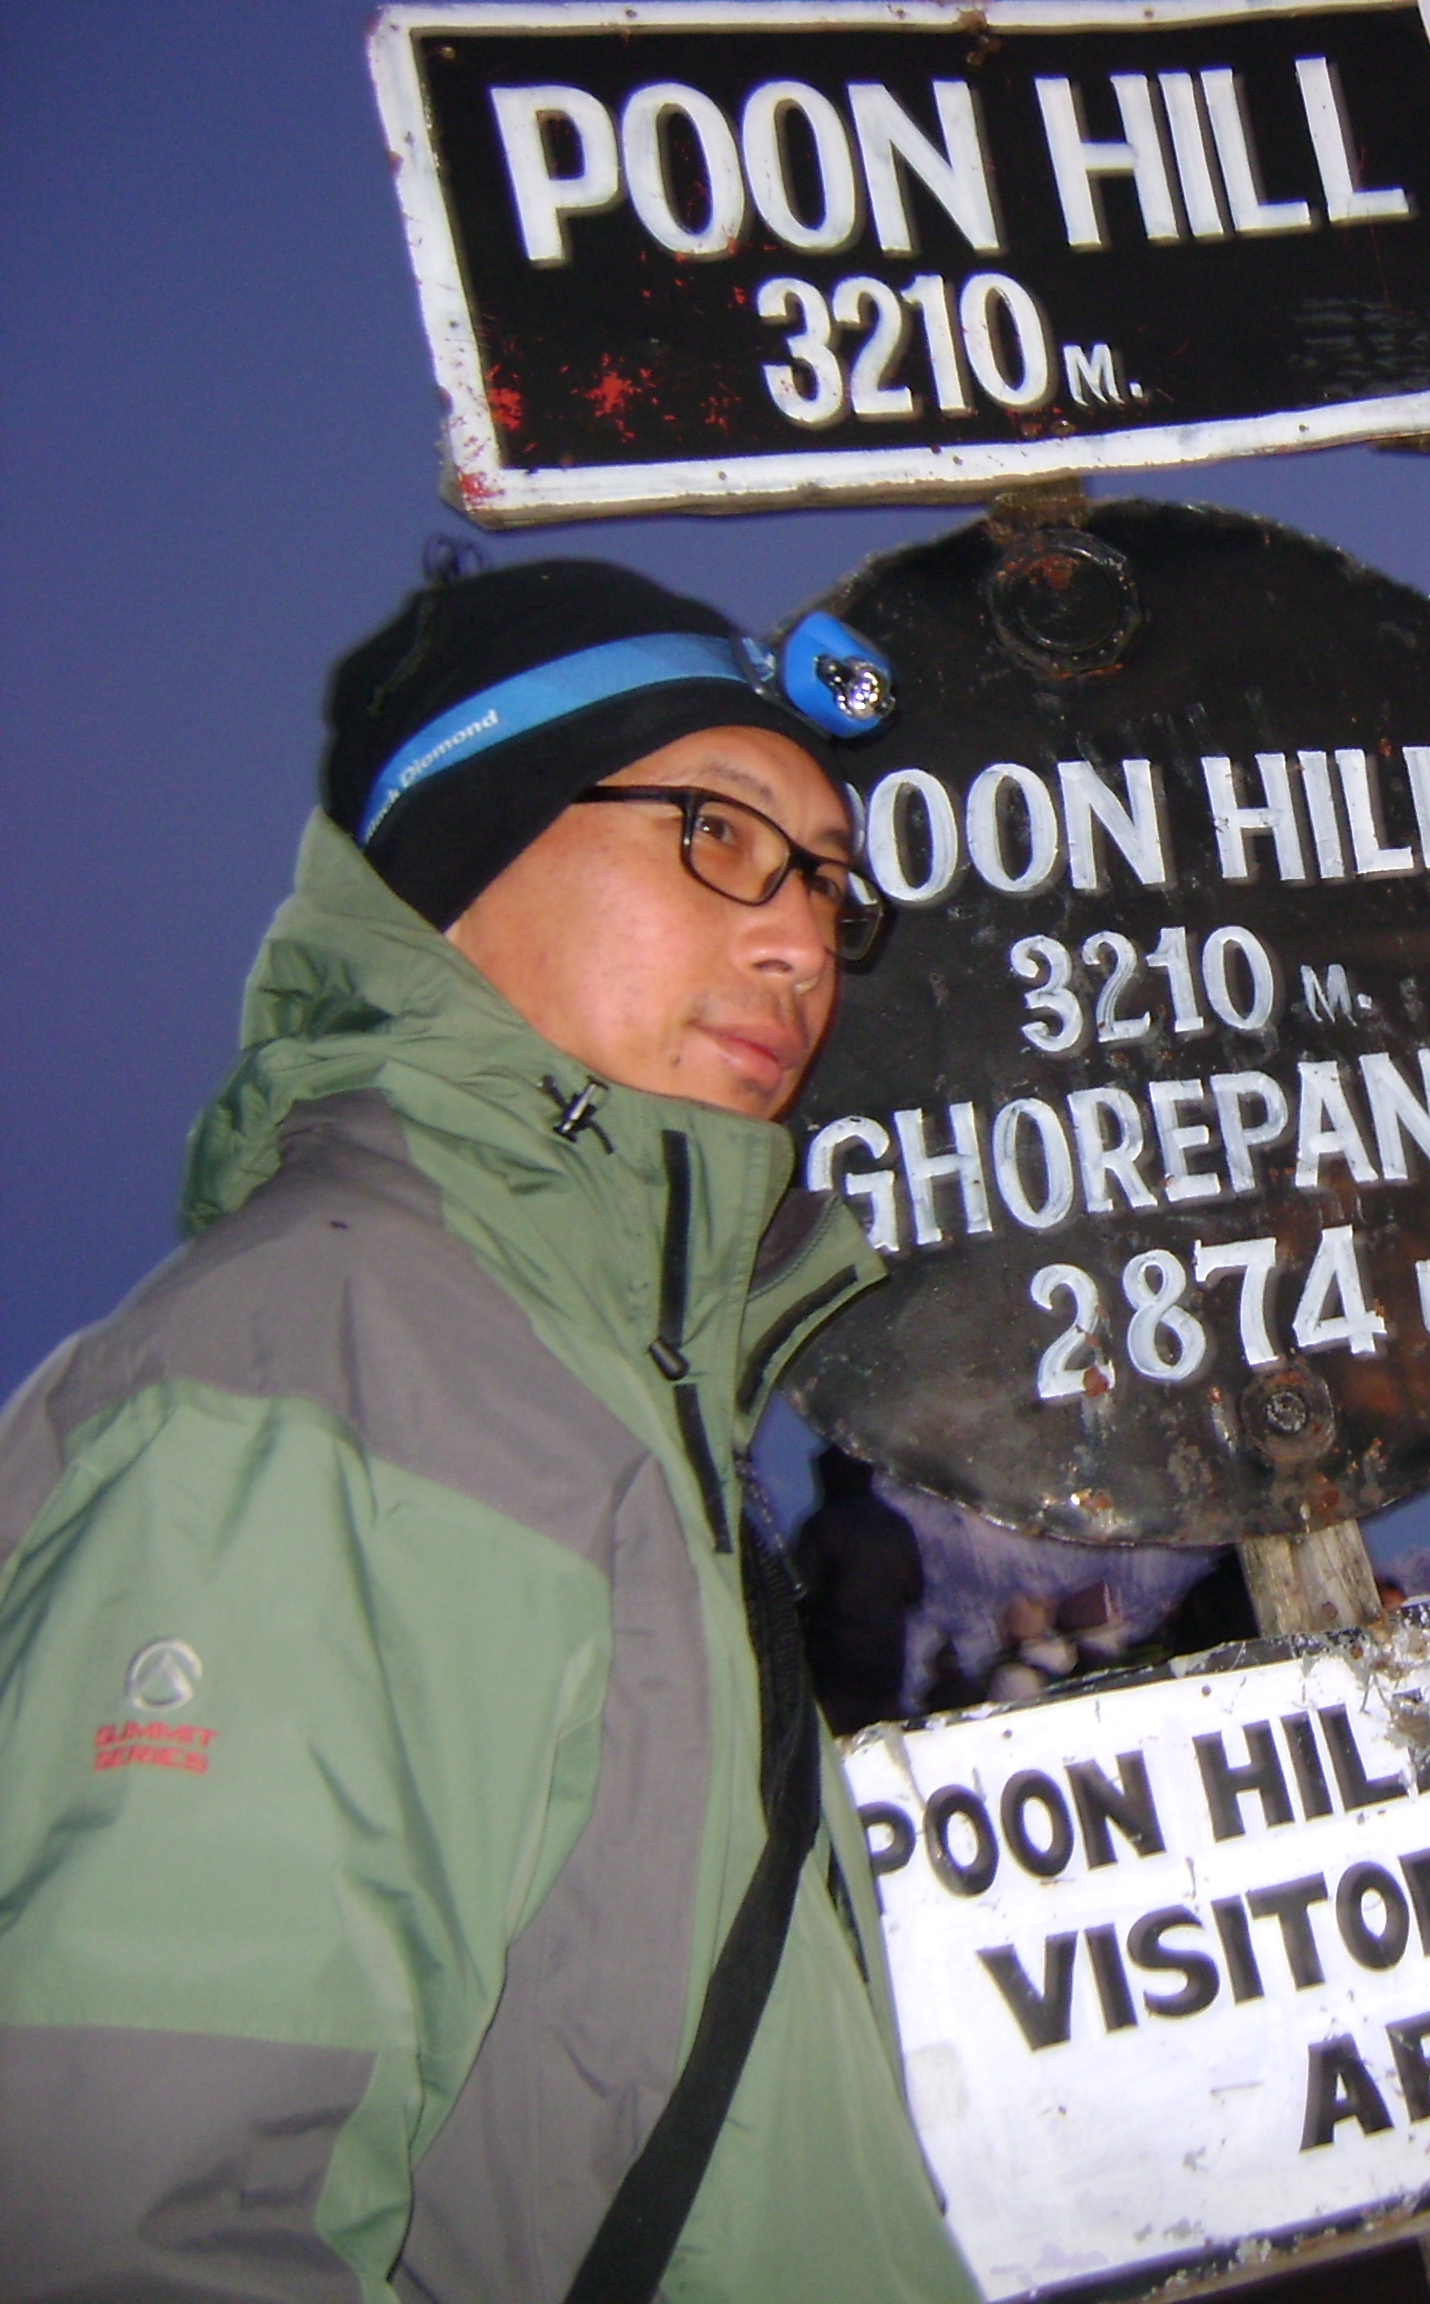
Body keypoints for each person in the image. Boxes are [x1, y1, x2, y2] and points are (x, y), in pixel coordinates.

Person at [0, 558, 980, 2302]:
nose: (799, 936)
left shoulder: (598, 1384)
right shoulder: (324, 1365)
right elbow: (143, 2221)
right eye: (719, 833)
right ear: (457, 870)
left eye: (832, 885)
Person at [791, 1444, 930, 1733]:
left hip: (832, 1672)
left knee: (835, 1753)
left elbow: (798, 1593)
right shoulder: (896, 1526)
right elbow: (915, 1592)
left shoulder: (821, 1526)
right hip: (886, 1668)